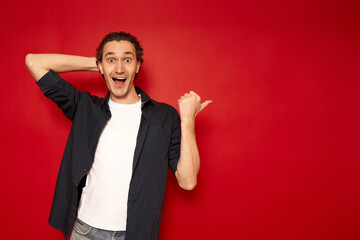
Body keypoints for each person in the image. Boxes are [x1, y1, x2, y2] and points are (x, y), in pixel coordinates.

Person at [25, 31, 211, 240]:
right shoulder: (86, 107)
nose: (120, 68)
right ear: (101, 66)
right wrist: (98, 64)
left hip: (134, 234)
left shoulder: (164, 116)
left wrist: (187, 121)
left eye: (127, 60)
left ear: (138, 66)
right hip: (86, 231)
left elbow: (187, 181)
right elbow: (34, 62)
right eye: (111, 59)